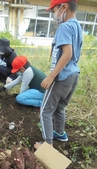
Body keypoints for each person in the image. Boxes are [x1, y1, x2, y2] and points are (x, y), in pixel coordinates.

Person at [34, 0, 82, 149]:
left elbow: (67, 54)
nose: (54, 14)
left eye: (54, 9)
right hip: (73, 74)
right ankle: (60, 133)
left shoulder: (65, 27)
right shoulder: (77, 26)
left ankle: (47, 144)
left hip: (62, 76)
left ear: (64, 7)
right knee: (60, 107)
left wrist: (51, 76)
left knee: (45, 111)